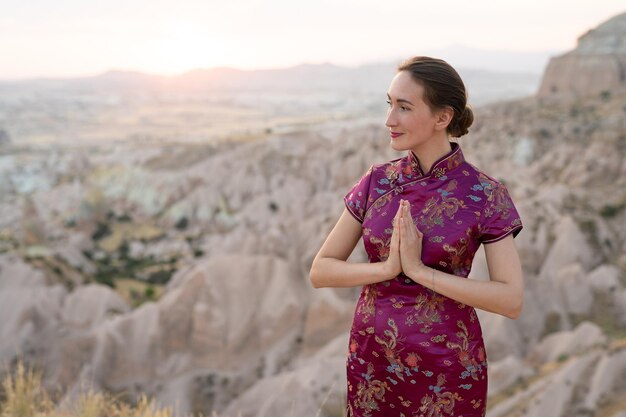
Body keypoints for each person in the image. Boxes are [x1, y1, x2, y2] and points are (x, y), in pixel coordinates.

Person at [309, 56, 524, 417]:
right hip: (372, 364)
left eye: (404, 107)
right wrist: (389, 268)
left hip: (448, 373)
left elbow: (511, 300)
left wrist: (422, 273)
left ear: (443, 117)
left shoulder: (485, 194)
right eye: (389, 104)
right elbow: (321, 271)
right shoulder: (376, 182)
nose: (389, 120)